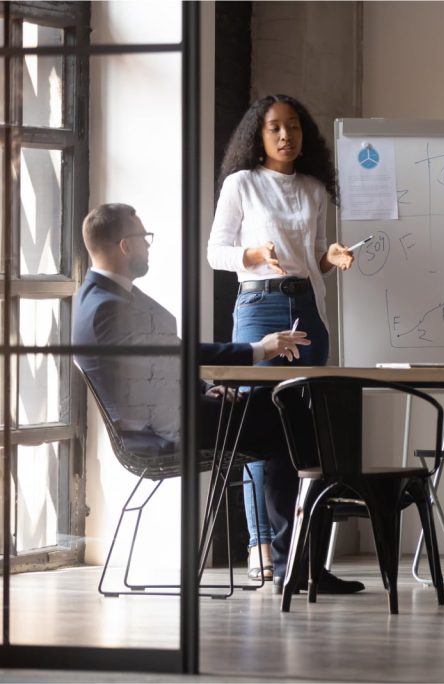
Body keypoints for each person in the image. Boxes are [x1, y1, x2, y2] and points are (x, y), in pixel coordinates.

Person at [74, 203, 363, 595]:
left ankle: (294, 562)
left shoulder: (100, 297)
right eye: (144, 239)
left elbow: (153, 367)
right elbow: (178, 355)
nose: (148, 247)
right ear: (125, 245)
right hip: (167, 431)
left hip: (178, 414)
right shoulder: (108, 307)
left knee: (289, 412)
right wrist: (257, 349)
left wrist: (205, 390)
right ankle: (295, 562)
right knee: (291, 415)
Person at [207, 94, 354, 581]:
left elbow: (312, 256)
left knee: (306, 434)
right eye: (275, 128)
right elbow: (215, 252)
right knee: (259, 429)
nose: (286, 136)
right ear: (259, 134)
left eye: (293, 126)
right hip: (258, 306)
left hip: (307, 308)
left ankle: (303, 558)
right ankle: (261, 546)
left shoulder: (314, 188)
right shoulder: (242, 183)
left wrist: (329, 258)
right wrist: (251, 255)